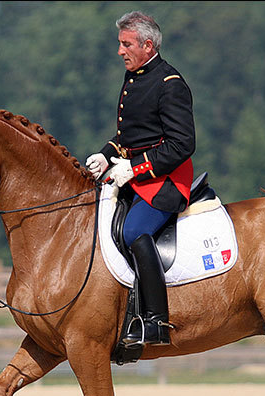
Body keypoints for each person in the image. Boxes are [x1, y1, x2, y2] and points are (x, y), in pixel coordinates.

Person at [86, 11, 196, 346]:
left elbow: (183, 144)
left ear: (147, 45)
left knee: (135, 230)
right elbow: (131, 136)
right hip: (133, 177)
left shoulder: (170, 84)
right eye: (120, 44)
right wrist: (107, 152)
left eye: (126, 44)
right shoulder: (134, 77)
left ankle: (156, 322)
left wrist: (135, 168)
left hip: (166, 181)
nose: (120, 51)